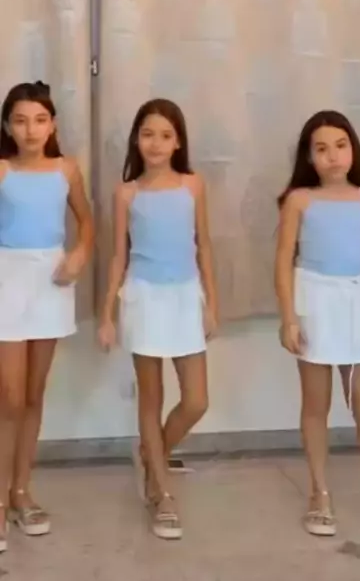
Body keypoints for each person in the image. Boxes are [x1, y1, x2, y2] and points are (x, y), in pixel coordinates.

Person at [274, 110, 360, 540]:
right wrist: (289, 317)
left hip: (355, 303)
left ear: (353, 149)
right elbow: (283, 261)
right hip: (313, 300)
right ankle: (320, 492)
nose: (333, 155)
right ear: (309, 157)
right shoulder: (299, 200)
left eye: (340, 145)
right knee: (316, 404)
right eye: (322, 148)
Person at [98, 99, 218, 540]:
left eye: (165, 135)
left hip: (185, 295)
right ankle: (162, 493)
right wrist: (107, 313)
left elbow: (204, 245)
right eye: (148, 134)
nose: (156, 143)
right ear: (136, 139)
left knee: (196, 399)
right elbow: (118, 255)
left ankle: (153, 455)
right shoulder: (127, 193)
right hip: (144, 298)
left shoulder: (193, 186)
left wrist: (212, 303)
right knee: (150, 398)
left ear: (178, 142)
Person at [0, 81, 93, 553]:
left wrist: (79, 254)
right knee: (9, 397)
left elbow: (88, 222)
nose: (30, 130)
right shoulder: (1, 170)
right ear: (7, 127)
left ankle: (21, 491)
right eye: (20, 121)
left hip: (51, 281)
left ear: (52, 124)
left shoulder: (66, 169)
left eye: (39, 120)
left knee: (34, 394)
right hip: (7, 279)